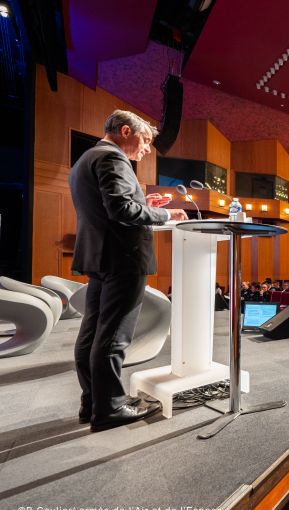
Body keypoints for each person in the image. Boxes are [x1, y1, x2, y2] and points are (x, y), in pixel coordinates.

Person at [69, 110, 188, 431]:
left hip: (101, 257)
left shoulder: (87, 159)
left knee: (92, 332)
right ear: (125, 131)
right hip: (122, 257)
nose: (148, 148)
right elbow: (121, 209)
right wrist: (168, 216)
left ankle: (93, 401)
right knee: (114, 336)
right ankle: (109, 408)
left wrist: (146, 204)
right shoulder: (113, 159)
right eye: (146, 140)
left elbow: (110, 205)